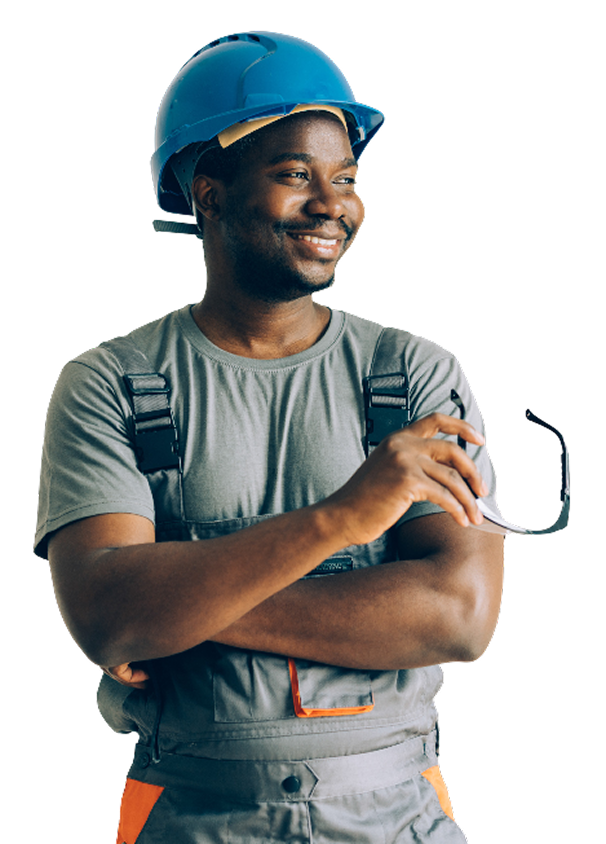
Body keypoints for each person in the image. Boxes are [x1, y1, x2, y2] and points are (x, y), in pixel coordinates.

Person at [35, 32, 504, 843]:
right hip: (189, 816)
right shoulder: (109, 383)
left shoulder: (414, 375)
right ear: (207, 193)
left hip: (398, 817)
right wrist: (341, 520)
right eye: (294, 174)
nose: (333, 204)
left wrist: (177, 606)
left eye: (345, 179)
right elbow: (109, 616)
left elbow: (460, 616)